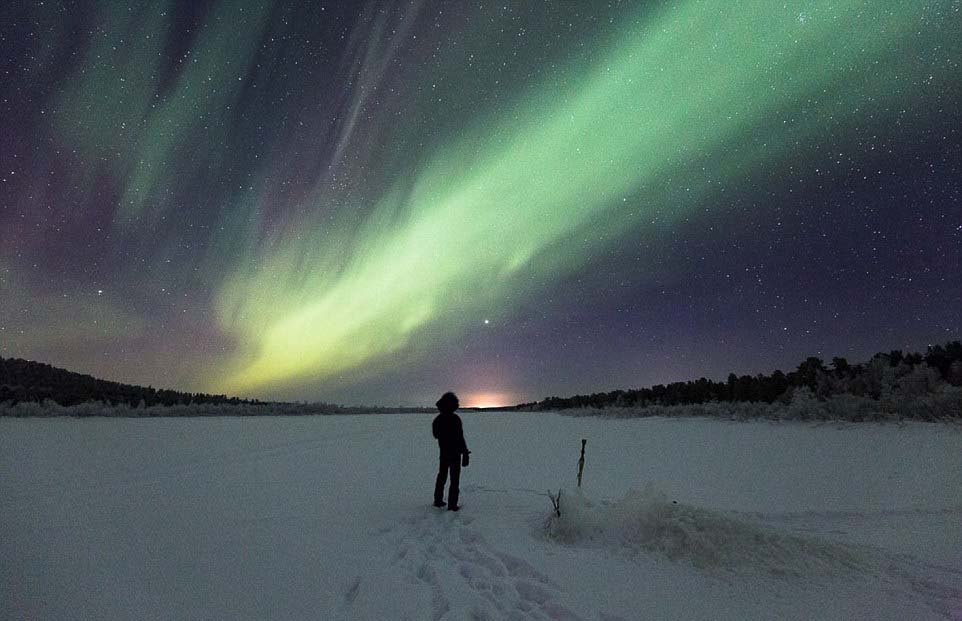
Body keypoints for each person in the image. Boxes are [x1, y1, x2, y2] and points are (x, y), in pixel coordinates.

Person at [432, 391, 470, 511]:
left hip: (444, 453)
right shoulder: (455, 419)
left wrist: (464, 452)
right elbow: (460, 437)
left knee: (442, 476)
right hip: (454, 453)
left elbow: (436, 435)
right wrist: (464, 452)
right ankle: (452, 505)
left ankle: (438, 500)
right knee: (454, 479)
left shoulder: (438, 419)